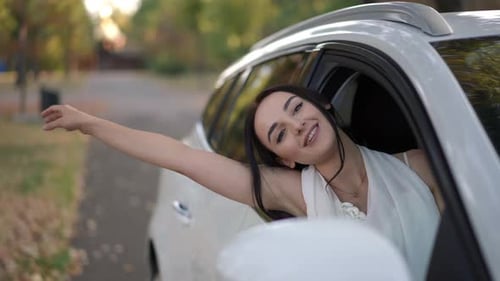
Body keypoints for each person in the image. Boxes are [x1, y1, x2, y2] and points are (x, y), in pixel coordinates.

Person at [41, 84, 440, 281]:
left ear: (324, 105)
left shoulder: (425, 167)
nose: (298, 126)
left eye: (297, 108)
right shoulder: (292, 192)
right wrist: (91, 124)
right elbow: (182, 157)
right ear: (285, 158)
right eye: (280, 133)